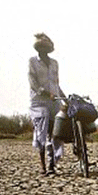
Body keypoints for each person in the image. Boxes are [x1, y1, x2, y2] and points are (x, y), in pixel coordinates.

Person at [28, 33, 65, 175]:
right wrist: (45, 93)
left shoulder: (54, 63)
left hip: (54, 101)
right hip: (39, 102)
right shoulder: (32, 62)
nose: (42, 50)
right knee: (42, 132)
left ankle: (52, 164)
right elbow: (33, 83)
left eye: (44, 48)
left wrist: (63, 97)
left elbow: (56, 84)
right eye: (40, 48)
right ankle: (43, 165)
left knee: (55, 133)